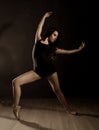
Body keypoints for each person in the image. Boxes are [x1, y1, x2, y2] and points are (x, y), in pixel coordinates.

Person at [12, 11, 85, 120]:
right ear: (50, 33)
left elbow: (67, 52)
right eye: (54, 35)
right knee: (16, 82)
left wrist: (78, 49)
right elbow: (39, 26)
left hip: (50, 71)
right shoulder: (38, 40)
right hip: (37, 71)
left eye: (57, 36)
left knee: (57, 90)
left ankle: (68, 110)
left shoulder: (53, 49)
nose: (55, 37)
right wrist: (44, 17)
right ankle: (15, 107)